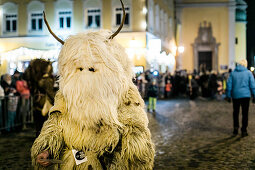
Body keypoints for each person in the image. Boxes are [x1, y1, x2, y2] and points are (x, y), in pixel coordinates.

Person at [226, 59, 255, 137]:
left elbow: (229, 85)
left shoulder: (233, 73)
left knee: (236, 112)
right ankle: (244, 130)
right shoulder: (249, 73)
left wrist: (228, 96)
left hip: (235, 96)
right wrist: (254, 95)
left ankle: (235, 128)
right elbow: (253, 86)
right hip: (246, 96)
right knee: (245, 113)